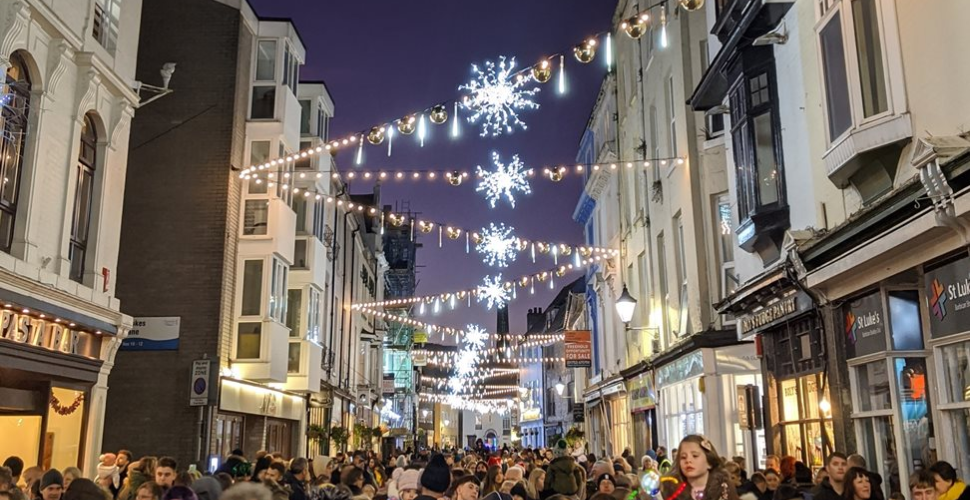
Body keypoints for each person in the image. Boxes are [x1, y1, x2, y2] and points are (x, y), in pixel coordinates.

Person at [659, 435, 739, 500]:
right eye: (683, 457)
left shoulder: (724, 487)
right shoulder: (670, 489)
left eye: (695, 456)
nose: (688, 460)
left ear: (709, 462)